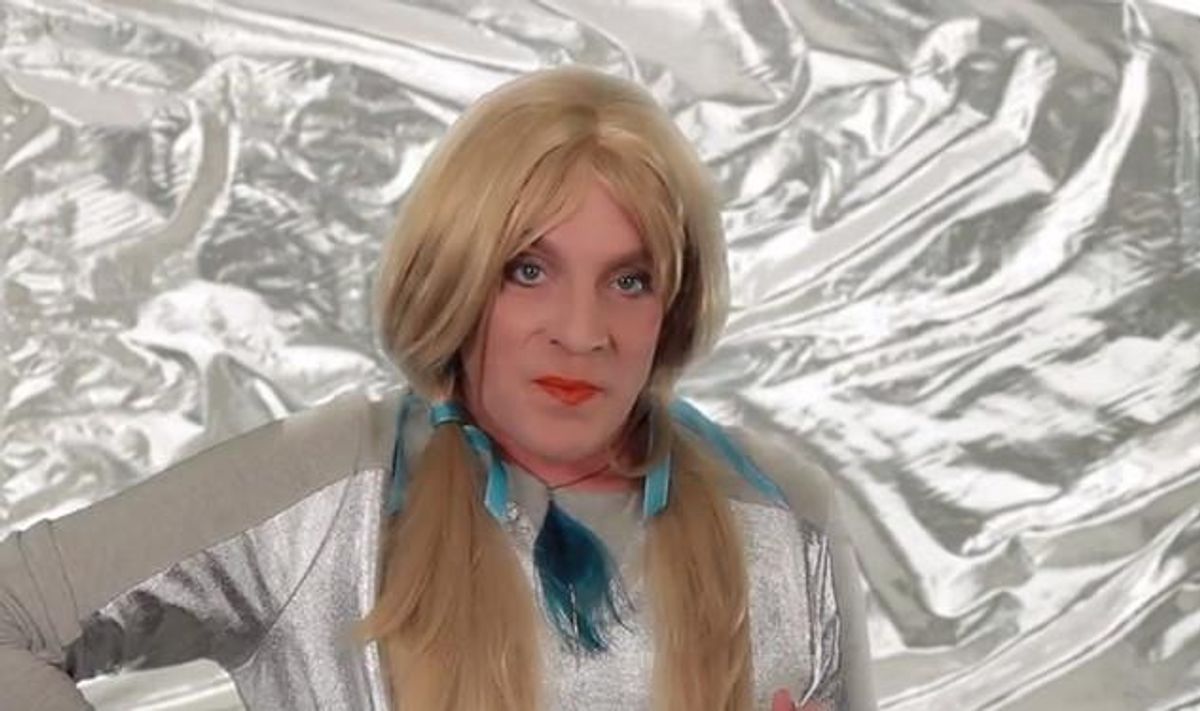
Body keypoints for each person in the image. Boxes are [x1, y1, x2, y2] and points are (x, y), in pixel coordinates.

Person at [0, 66, 876, 710]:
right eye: (529, 269)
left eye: (629, 279)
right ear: (455, 279)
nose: (582, 331)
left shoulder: (780, 517)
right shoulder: (330, 492)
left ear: (672, 308)